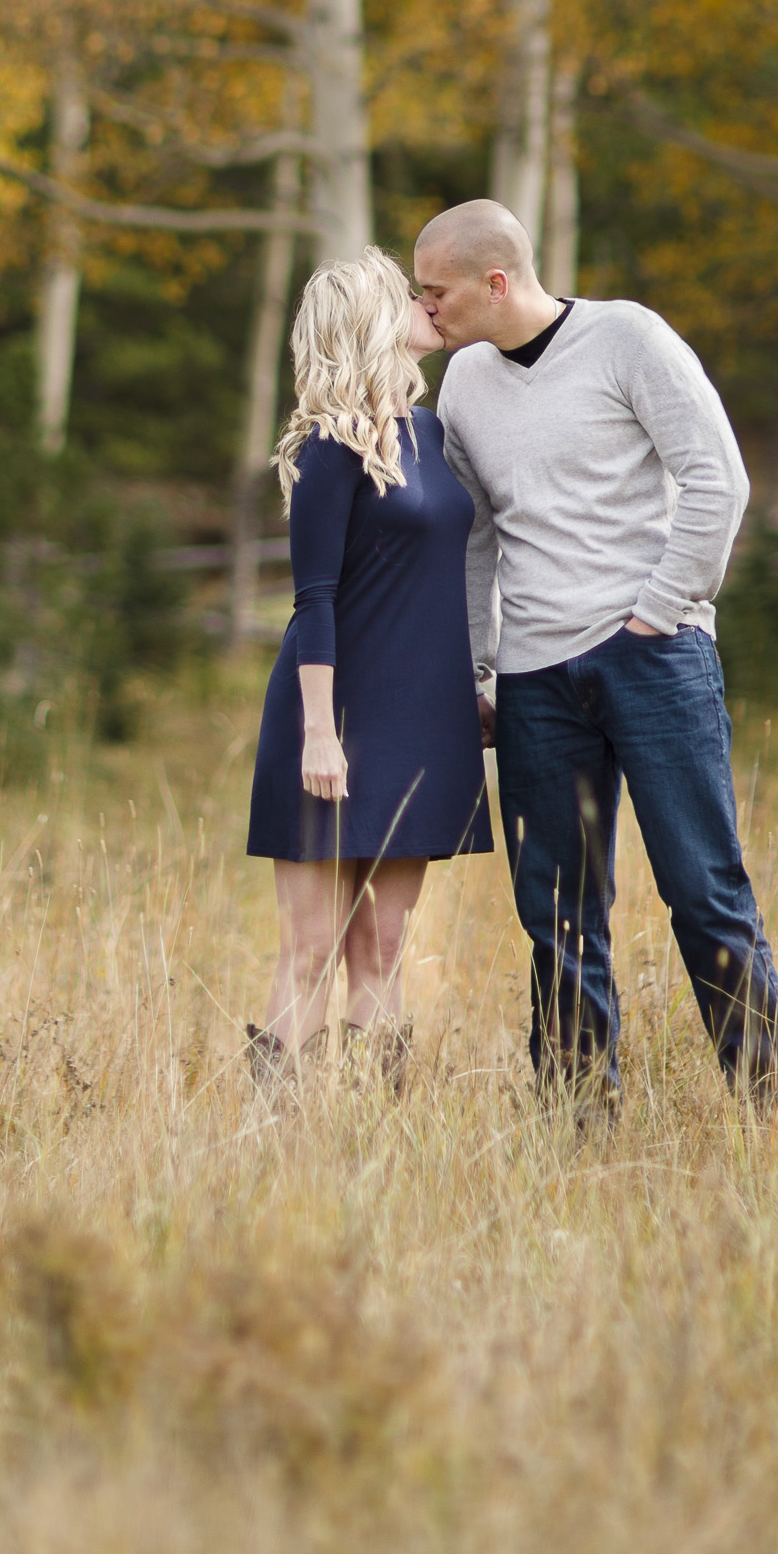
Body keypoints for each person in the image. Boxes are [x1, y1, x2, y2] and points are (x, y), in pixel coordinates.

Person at [416, 197, 778, 1102]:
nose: (422, 308)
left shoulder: (629, 339)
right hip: (533, 684)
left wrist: (658, 611)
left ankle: (771, 1104)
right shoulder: (463, 383)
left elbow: (719, 478)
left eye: (435, 292)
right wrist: (477, 665)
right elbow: (475, 538)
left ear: (494, 282)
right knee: (555, 912)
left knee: (701, 889)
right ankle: (577, 1119)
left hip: (653, 660)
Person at [245, 246, 493, 1088]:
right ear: (371, 320)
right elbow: (311, 598)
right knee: (312, 947)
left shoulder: (431, 432)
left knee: (382, 947)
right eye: (406, 295)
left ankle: (374, 1130)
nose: (427, 303)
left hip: (424, 718)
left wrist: (477, 686)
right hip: (335, 720)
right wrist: (320, 735)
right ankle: (274, 1128)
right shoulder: (329, 446)